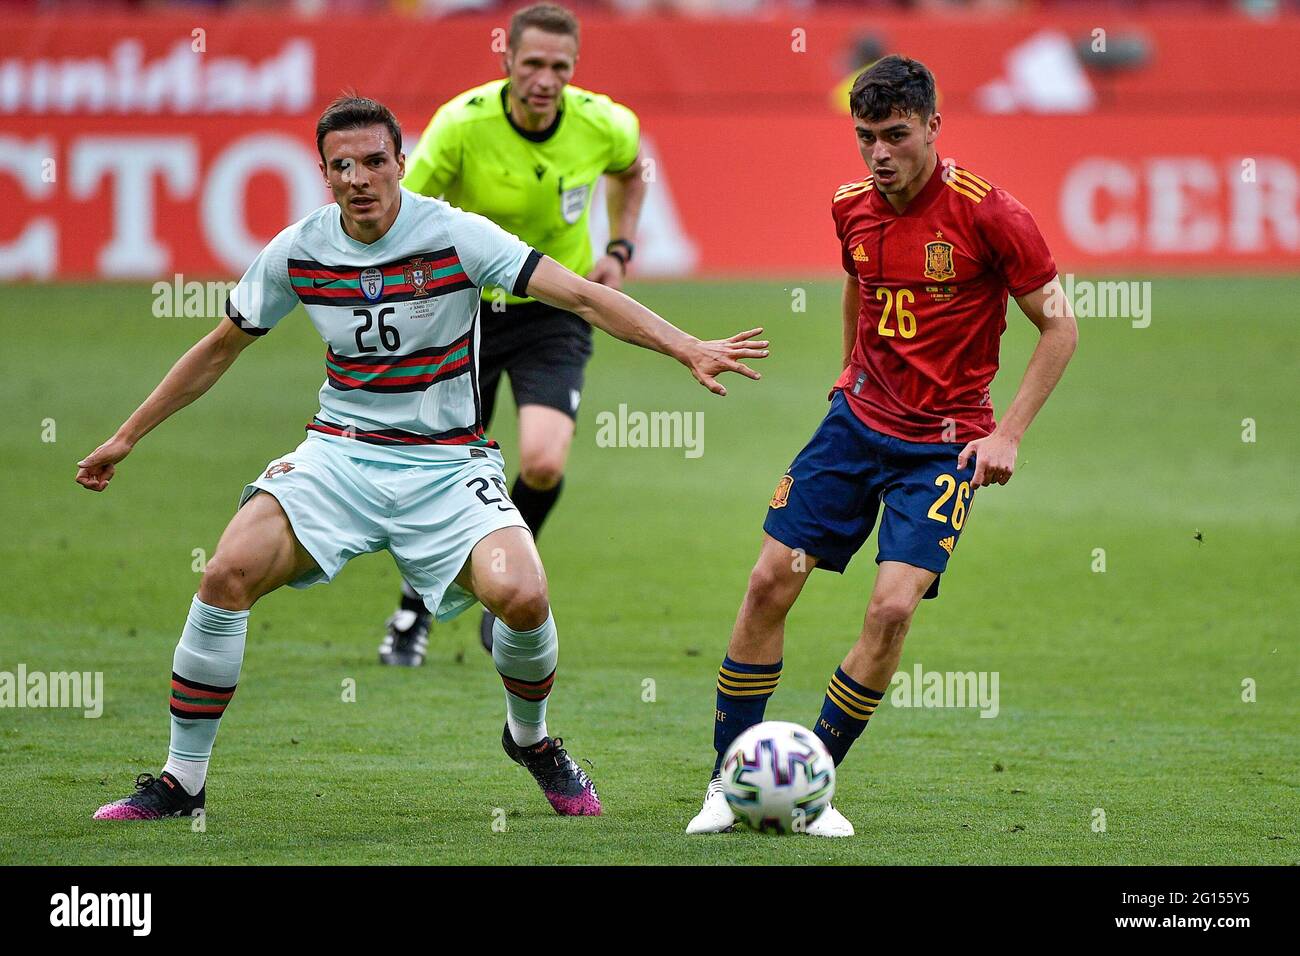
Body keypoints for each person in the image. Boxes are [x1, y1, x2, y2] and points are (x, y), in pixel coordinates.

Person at [77, 94, 767, 822]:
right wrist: (126, 436)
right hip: (338, 458)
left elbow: (584, 298)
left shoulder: (456, 236)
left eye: (375, 161)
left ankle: (529, 740)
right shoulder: (297, 251)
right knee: (224, 575)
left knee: (524, 598)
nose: (359, 178)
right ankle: (182, 782)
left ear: (401, 163)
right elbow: (219, 348)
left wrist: (686, 345)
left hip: (445, 466)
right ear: (323, 173)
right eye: (341, 165)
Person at [685, 55, 1078, 837]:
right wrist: (844, 370)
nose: (879, 154)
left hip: (945, 447)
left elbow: (1059, 325)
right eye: (866, 137)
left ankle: (811, 783)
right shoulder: (851, 207)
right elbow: (860, 284)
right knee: (769, 583)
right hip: (856, 427)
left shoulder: (992, 215)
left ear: (934, 125)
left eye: (896, 135)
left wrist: (1008, 434)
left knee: (892, 609)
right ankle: (729, 783)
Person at [379, 2, 647, 665]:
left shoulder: (604, 123)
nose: (545, 79)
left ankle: (508, 584)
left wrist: (619, 245)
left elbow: (631, 170)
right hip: (462, 314)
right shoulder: (461, 126)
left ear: (573, 69)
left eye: (559, 67)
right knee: (445, 473)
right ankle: (413, 611)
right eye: (532, 63)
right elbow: (404, 207)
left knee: (544, 462)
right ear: (507, 62)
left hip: (551, 311)